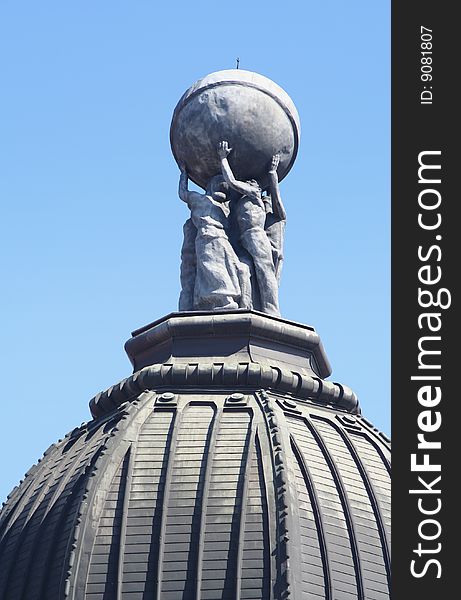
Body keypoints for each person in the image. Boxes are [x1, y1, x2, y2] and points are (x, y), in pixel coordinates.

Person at [217, 141, 285, 316]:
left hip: (255, 236)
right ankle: (246, 304)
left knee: (265, 270)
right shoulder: (240, 201)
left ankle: (272, 310)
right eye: (249, 181)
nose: (252, 181)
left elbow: (231, 181)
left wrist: (223, 158)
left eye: (254, 182)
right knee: (243, 269)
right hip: (243, 239)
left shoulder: (254, 194)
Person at [178, 166, 251, 311]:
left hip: (222, 239)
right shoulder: (198, 199)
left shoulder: (225, 208)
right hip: (207, 238)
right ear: (211, 186)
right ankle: (224, 300)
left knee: (234, 267)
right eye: (219, 184)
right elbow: (182, 193)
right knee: (212, 268)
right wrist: (184, 174)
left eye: (225, 187)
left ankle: (239, 300)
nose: (222, 188)